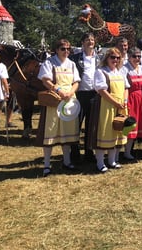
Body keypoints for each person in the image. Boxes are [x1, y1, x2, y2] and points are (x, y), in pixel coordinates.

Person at [37, 40, 80, 176]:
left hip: (69, 100)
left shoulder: (72, 64)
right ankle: (46, 165)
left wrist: (70, 93)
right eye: (63, 48)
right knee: (50, 130)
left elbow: (76, 82)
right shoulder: (50, 62)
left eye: (68, 49)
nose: (66, 51)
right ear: (56, 49)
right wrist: (59, 90)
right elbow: (45, 80)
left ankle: (66, 161)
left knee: (67, 131)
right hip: (54, 100)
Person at [90, 47, 129, 172]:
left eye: (118, 58)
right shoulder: (101, 72)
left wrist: (124, 101)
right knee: (104, 132)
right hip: (106, 106)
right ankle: (100, 163)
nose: (115, 60)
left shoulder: (121, 72)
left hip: (120, 106)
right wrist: (115, 103)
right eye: (113, 57)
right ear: (107, 58)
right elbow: (102, 91)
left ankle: (112, 161)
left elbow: (126, 87)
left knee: (117, 132)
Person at [69, 32, 100, 162]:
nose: (90, 42)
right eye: (87, 40)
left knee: (91, 125)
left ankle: (89, 151)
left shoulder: (100, 58)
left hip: (94, 95)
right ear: (82, 43)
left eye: (92, 40)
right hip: (79, 94)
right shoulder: (75, 58)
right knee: (76, 124)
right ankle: (74, 152)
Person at [121, 47, 142, 161]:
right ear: (129, 57)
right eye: (134, 56)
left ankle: (129, 150)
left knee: (136, 124)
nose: (137, 58)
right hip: (130, 98)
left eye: (139, 56)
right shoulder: (125, 69)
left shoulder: (140, 68)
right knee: (129, 124)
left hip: (140, 98)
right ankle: (124, 151)